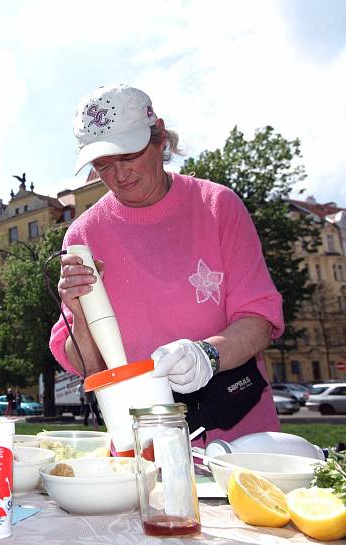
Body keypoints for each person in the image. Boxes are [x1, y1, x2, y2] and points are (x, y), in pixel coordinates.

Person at [50, 84, 283, 447]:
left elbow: (260, 321)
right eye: (103, 165)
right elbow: (91, 369)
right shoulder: (83, 235)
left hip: (239, 435)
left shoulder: (217, 206)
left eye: (129, 155)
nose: (119, 175)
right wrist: (79, 314)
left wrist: (207, 354)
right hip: (143, 445)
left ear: (159, 138)